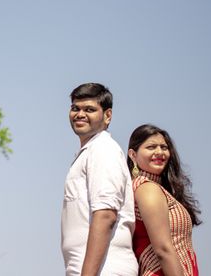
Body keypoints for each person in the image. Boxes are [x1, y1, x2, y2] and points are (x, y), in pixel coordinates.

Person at [61, 83, 137, 276]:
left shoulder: (103, 149)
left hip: (105, 269)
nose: (80, 114)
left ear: (107, 116)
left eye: (89, 109)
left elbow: (106, 215)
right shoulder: (90, 151)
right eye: (75, 108)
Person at [126, 124, 201, 276]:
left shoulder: (156, 188)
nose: (159, 152)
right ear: (133, 155)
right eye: (151, 147)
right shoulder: (147, 188)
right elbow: (163, 249)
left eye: (164, 147)